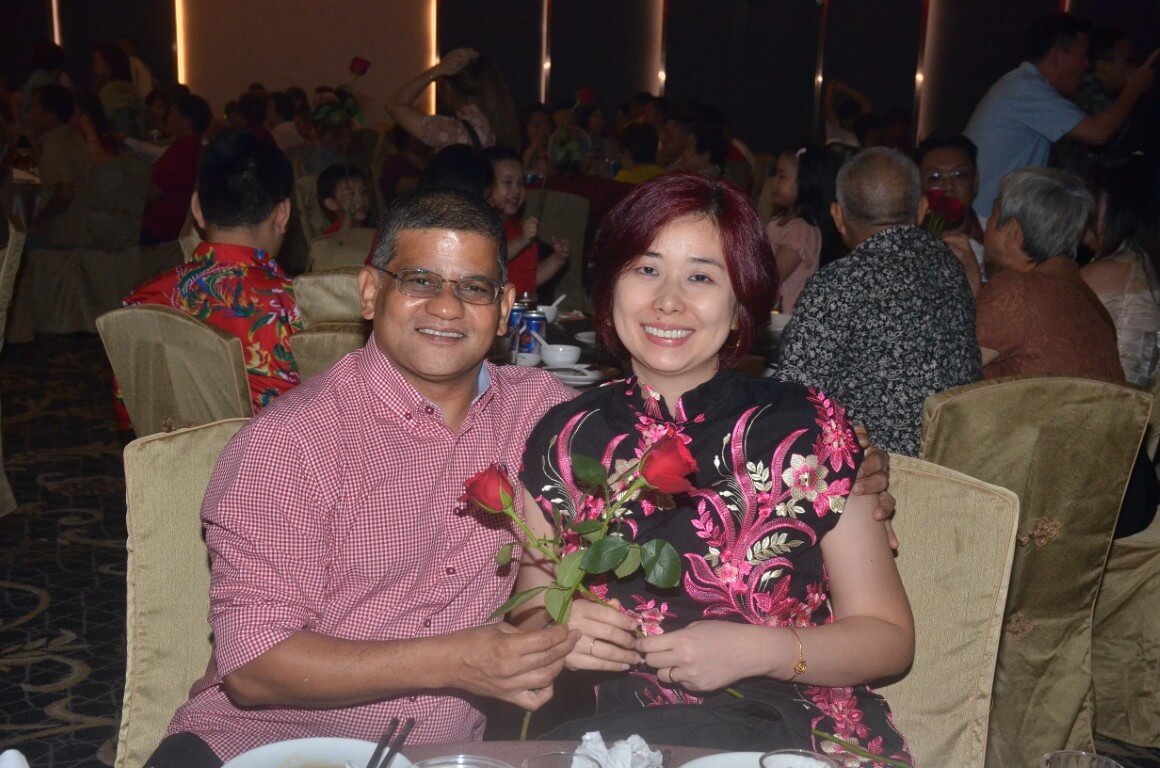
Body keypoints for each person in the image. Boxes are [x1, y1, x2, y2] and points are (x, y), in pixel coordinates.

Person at [150, 187, 582, 767]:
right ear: (371, 291)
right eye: (420, 281)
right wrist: (455, 660)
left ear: (504, 307)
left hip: (438, 753)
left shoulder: (540, 414)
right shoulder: (291, 443)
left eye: (474, 288)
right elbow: (252, 668)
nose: (447, 308)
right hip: (259, 745)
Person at [511, 171, 913, 763]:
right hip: (624, 742)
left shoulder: (808, 428)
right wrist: (560, 632)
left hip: (799, 734)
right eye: (646, 269)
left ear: (740, 302)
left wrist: (762, 651)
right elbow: (530, 604)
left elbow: (889, 638)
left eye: (701, 276)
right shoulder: (565, 438)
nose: (668, 300)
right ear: (611, 286)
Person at [775, 148, 981, 456]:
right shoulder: (950, 267)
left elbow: (794, 401)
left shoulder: (837, 285)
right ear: (922, 209)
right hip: (956, 462)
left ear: (837, 216)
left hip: (879, 471)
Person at [123, 130, 301, 412]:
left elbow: (129, 406)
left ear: (197, 208)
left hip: (169, 442)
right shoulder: (293, 306)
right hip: (272, 442)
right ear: (282, 214)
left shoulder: (142, 301)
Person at [964, 13, 1157, 218]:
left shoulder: (1022, 85)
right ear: (1057, 56)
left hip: (992, 216)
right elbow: (1098, 133)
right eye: (1082, 56)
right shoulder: (1026, 88)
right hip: (985, 219)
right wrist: (1133, 88)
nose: (1086, 65)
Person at [976, 166, 1121, 382]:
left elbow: (951, 368)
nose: (987, 223)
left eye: (993, 213)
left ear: (1011, 230)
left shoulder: (1017, 290)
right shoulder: (1086, 296)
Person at [1081, 155, 1160, 386]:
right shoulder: (1137, 261)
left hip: (1109, 399)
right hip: (1131, 399)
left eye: (1092, 198)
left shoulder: (1106, 272)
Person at [387, 47, 520, 153]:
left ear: (448, 88)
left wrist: (436, 71)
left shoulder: (451, 132)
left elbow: (394, 105)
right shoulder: (503, 126)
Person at [481, 146, 569, 298]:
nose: (516, 191)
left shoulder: (520, 230)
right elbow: (491, 258)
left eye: (521, 183)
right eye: (507, 182)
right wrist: (522, 240)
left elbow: (530, 279)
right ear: (486, 186)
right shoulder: (482, 226)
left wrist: (557, 259)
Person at [764, 145, 842, 313]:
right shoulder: (778, 221)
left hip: (784, 318)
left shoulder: (800, 231)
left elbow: (771, 278)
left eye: (782, 176)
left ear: (805, 182)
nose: (774, 182)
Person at [1053, 27, 1139, 178]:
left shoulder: (1081, 88)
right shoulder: (1092, 95)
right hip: (1075, 184)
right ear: (1103, 65)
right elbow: (1117, 148)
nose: (1134, 68)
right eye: (1128, 61)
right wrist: (1135, 89)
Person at [915, 134, 986, 293]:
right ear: (919, 186)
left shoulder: (996, 242)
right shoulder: (905, 243)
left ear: (975, 182)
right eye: (935, 177)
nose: (948, 186)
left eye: (959, 175)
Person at [140, 93, 212, 245]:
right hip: (173, 229)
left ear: (186, 121)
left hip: (161, 231)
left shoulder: (183, 150)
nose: (167, 118)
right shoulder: (196, 147)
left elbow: (152, 192)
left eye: (172, 114)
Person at [27, 84, 90, 248]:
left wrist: (39, 218)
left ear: (49, 113)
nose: (29, 112)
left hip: (62, 237)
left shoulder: (54, 144)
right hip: (84, 231)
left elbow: (65, 194)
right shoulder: (73, 138)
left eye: (34, 106)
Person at [92, 43, 142, 137]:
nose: (94, 65)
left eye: (98, 60)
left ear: (110, 64)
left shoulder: (110, 94)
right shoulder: (132, 90)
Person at [317, 163, 371, 235]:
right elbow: (341, 241)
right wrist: (348, 218)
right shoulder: (329, 237)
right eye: (351, 194)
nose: (361, 199)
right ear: (332, 204)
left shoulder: (370, 232)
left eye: (364, 192)